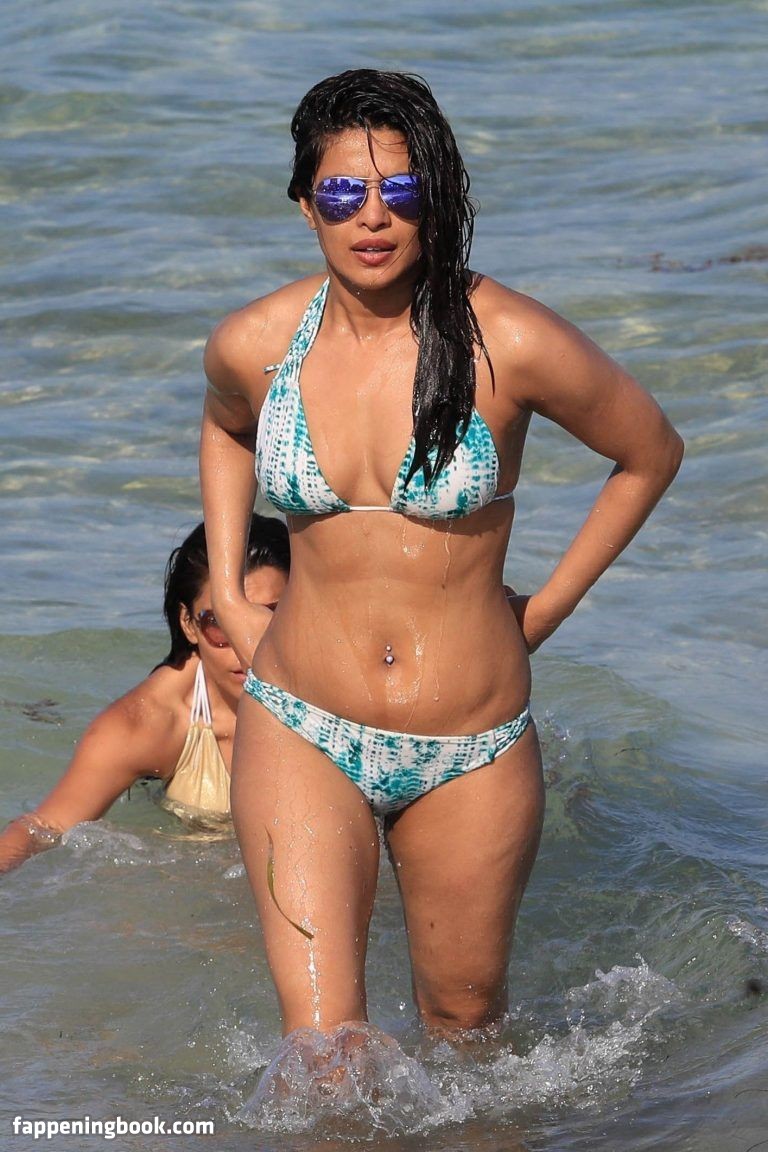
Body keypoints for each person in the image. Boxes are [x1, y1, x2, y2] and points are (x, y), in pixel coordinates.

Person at [200, 68, 683, 1039]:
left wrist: (545, 611)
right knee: (322, 1049)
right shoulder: (257, 342)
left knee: (466, 1030)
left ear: (438, 198)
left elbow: (648, 452)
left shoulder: (509, 339)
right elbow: (225, 428)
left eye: (402, 190)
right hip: (301, 723)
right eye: (344, 191)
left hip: (471, 745)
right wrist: (228, 584)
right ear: (306, 205)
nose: (372, 217)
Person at [0, 514, 290, 874]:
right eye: (221, 623)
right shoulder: (147, 724)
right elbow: (45, 827)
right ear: (189, 624)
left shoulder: (337, 696)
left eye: (271, 617)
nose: (249, 645)